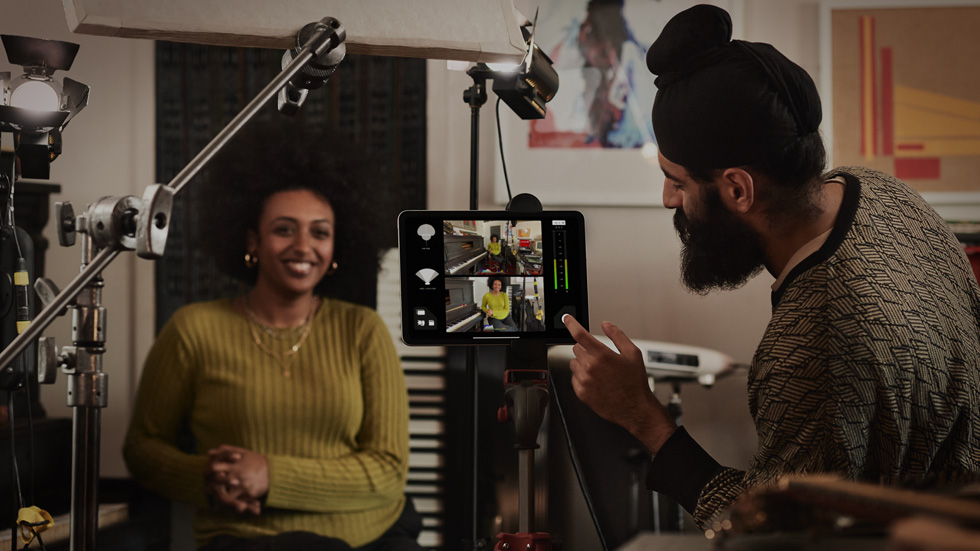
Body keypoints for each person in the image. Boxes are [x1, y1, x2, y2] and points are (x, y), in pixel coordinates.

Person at [562, 4, 980, 530]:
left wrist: (639, 413)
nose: (668, 198)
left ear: (738, 188)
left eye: (679, 181)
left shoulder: (813, 347)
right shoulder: (883, 193)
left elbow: (773, 535)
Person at [123, 126, 422, 551]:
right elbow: (142, 447)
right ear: (253, 241)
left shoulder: (363, 331)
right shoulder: (194, 329)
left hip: (368, 538)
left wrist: (270, 475)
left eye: (320, 232)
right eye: (285, 229)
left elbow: (389, 471)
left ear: (336, 248)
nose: (304, 246)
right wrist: (209, 479)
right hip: (244, 537)